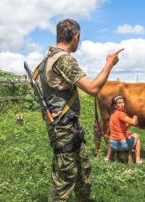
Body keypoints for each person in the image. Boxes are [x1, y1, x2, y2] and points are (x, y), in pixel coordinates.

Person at [38, 18, 124, 201]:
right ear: (76, 36)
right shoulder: (64, 60)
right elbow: (92, 89)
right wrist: (109, 64)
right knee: (64, 177)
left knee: (83, 171)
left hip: (70, 126)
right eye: (79, 37)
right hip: (64, 128)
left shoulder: (48, 58)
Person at [104, 95, 143, 164]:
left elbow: (124, 127)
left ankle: (107, 158)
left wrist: (128, 125)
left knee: (113, 136)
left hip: (113, 145)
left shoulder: (113, 114)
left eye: (123, 102)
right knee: (137, 136)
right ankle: (138, 160)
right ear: (115, 105)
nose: (122, 104)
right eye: (119, 103)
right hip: (122, 145)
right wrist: (136, 115)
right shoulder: (121, 114)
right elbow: (133, 122)